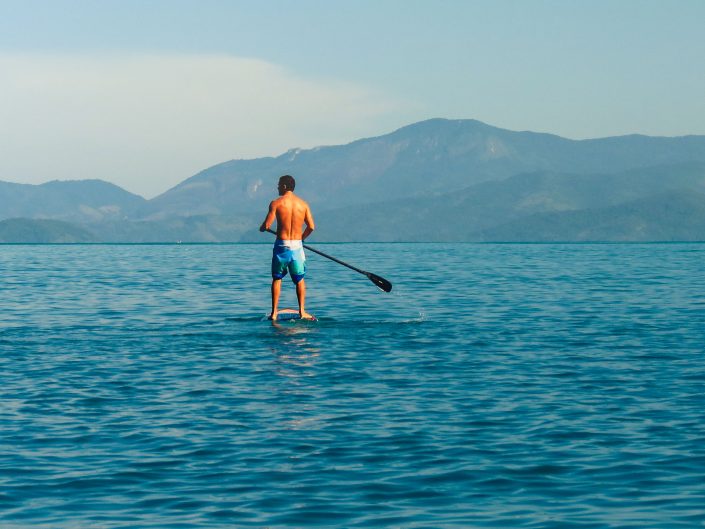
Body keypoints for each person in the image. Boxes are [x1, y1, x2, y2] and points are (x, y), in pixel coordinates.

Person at [259, 175, 316, 320]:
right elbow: (311, 227)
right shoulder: (303, 204)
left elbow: (266, 226)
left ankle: (274, 313)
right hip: (297, 247)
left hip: (281, 247)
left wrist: (262, 227)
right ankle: (302, 311)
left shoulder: (276, 203)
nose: (277, 187)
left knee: (277, 278)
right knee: (299, 279)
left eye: (278, 185)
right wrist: (301, 238)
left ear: (284, 186)